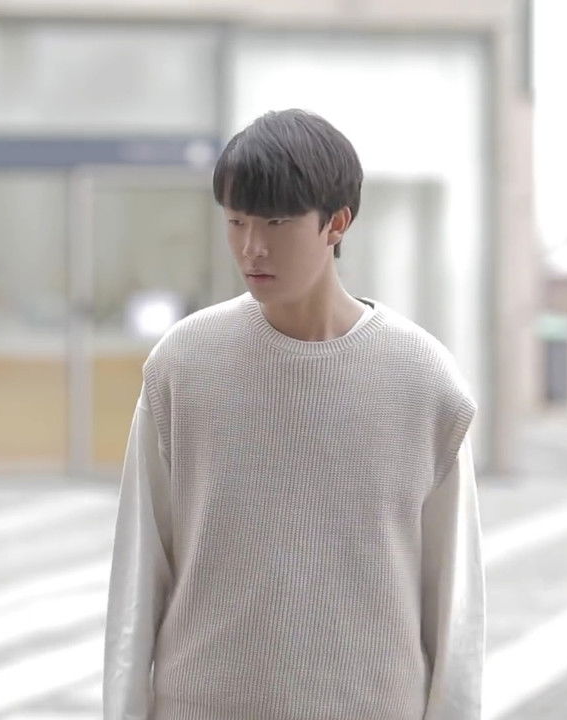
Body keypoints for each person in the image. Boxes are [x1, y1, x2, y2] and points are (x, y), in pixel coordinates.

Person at [102, 108, 484, 720]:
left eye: (276, 222)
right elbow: (138, 576)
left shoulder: (422, 378)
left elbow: (454, 602)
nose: (252, 247)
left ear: (337, 222)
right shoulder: (184, 363)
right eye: (236, 221)